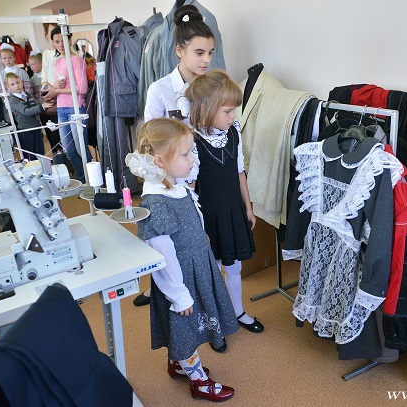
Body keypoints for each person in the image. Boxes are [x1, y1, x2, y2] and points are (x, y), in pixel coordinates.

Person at [127, 118, 237, 402]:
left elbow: (191, 215)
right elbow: (162, 254)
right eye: (186, 154)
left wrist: (201, 235)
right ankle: (199, 381)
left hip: (196, 263)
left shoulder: (175, 185)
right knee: (185, 326)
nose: (193, 159)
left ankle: (177, 364)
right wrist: (178, 293)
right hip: (180, 276)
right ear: (160, 160)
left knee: (187, 325)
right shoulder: (156, 202)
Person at [134, 4, 216, 308]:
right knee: (169, 243)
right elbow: (150, 140)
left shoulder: (210, 88)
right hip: (172, 178)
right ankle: (165, 292)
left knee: (200, 240)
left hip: (205, 170)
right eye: (199, 52)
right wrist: (167, 181)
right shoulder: (160, 90)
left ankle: (206, 299)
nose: (206, 60)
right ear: (179, 50)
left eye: (210, 53)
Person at [185, 70, 265, 341]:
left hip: (233, 210)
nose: (233, 116)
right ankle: (215, 320)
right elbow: (190, 189)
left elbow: (239, 171)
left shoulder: (234, 132)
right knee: (213, 270)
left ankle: (238, 311)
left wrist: (248, 207)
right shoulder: (193, 142)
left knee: (234, 267)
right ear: (205, 109)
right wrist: (197, 226)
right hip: (209, 216)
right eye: (228, 111)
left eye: (234, 111)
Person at [44, 27, 92, 183]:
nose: (60, 44)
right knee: (69, 151)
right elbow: (55, 86)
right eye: (56, 42)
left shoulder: (76, 60)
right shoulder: (57, 62)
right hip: (61, 109)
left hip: (75, 108)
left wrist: (57, 90)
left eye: (62, 40)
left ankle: (94, 181)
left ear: (69, 40)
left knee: (80, 148)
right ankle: (83, 181)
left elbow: (82, 89)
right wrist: (54, 89)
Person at [5, 72, 52, 160]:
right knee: (30, 156)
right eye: (12, 84)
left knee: (40, 153)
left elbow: (35, 108)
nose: (16, 86)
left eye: (18, 82)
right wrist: (42, 106)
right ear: (8, 87)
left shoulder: (28, 94)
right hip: (25, 130)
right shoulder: (12, 100)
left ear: (22, 82)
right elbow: (26, 111)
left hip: (36, 127)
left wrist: (45, 104)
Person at [28, 51, 61, 158]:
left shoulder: (48, 76)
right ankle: (54, 152)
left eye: (33, 64)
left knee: (57, 131)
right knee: (48, 133)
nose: (31, 67)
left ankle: (62, 152)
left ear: (41, 63)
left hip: (53, 108)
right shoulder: (32, 80)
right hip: (42, 110)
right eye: (30, 65)